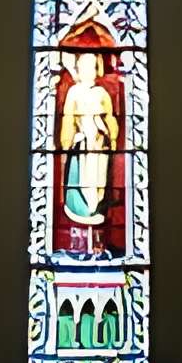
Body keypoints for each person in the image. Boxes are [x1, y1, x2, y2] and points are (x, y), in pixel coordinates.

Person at [58, 47, 119, 240]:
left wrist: (108, 133)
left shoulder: (102, 93)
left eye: (92, 67)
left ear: (96, 69)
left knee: (98, 180)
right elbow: (68, 119)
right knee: (83, 178)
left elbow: (110, 118)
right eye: (83, 67)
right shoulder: (74, 91)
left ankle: (96, 209)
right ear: (78, 68)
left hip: (99, 145)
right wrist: (71, 138)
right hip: (83, 144)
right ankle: (83, 211)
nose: (88, 71)